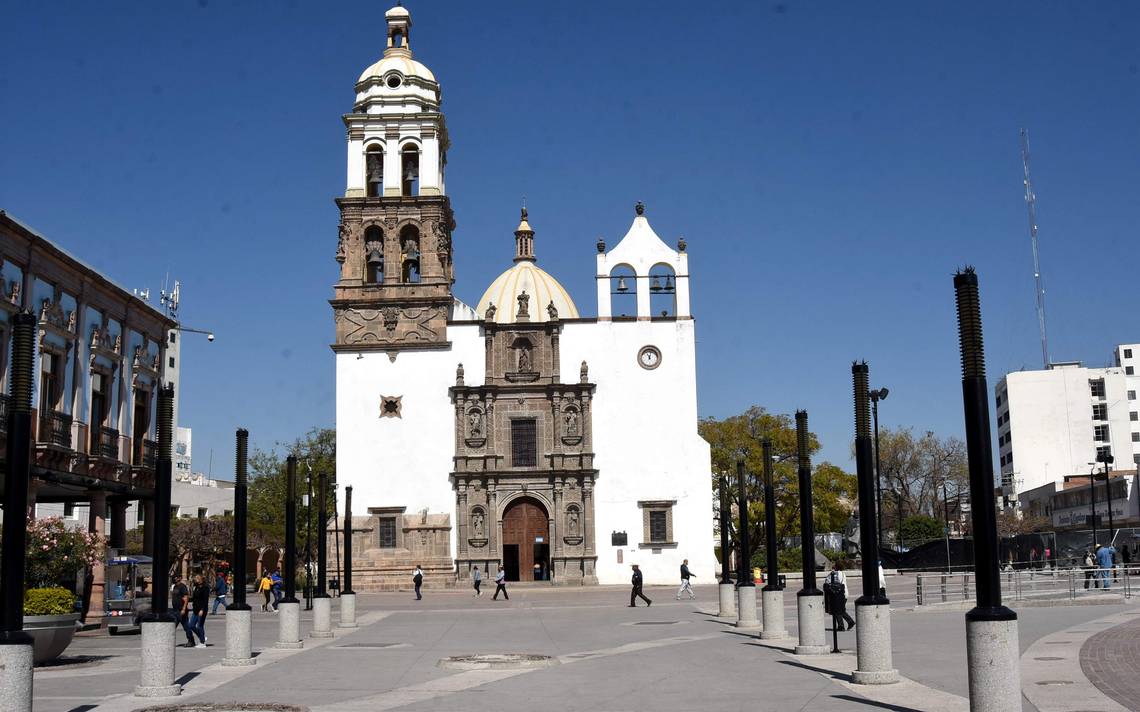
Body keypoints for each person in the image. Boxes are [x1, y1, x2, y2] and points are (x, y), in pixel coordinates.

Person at [824, 563, 856, 631]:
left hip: (838, 594)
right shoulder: (843, 573)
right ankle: (850, 622)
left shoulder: (835, 573)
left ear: (836, 567)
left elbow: (828, 581)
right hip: (844, 594)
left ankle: (841, 626)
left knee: (837, 610)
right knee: (841, 610)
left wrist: (831, 573)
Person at [171, 575, 194, 647]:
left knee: (186, 626)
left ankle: (191, 641)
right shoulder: (174, 586)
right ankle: (168, 641)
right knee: (172, 626)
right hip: (175, 610)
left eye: (176, 577)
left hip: (181, 610)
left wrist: (184, 609)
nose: (175, 579)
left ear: (179, 578)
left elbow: (186, 598)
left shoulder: (182, 587)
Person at [188, 574, 209, 648]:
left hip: (202, 610)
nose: (195, 579)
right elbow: (194, 598)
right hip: (195, 610)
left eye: (197, 578)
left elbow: (205, 600)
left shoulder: (205, 588)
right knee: (191, 625)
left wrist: (202, 610)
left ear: (201, 579)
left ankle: (202, 643)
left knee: (200, 626)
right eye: (195, 578)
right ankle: (202, 637)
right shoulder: (196, 587)